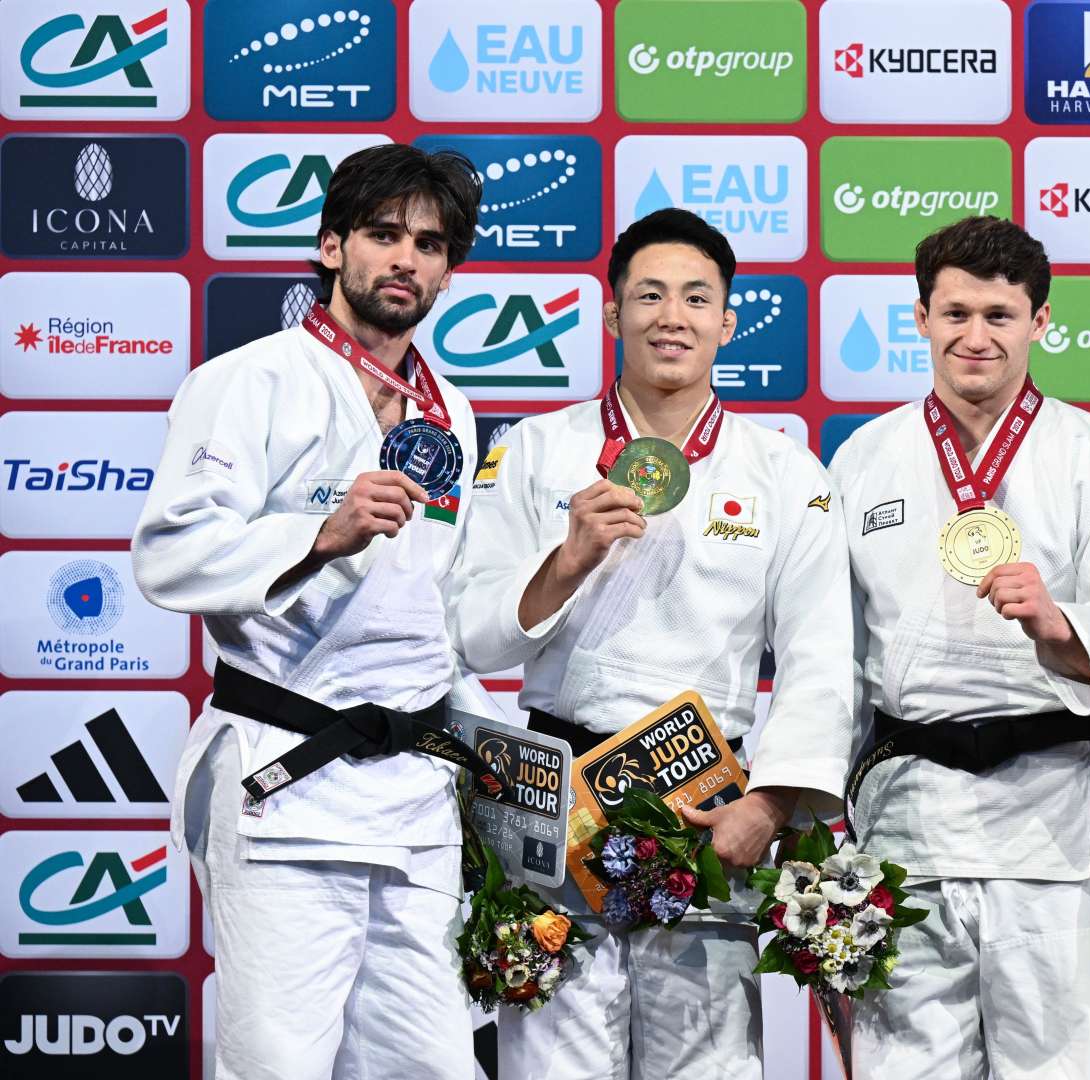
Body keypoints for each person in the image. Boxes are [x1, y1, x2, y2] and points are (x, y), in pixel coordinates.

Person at [448, 207, 854, 1080]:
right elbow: (474, 637)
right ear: (610, 312)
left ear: (727, 322)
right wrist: (569, 559)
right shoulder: (534, 450)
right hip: (551, 809)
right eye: (650, 295)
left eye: (696, 298)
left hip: (706, 813)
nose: (672, 316)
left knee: (706, 1069)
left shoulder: (783, 472)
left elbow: (822, 656)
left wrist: (770, 806)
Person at [132, 143, 486, 1080]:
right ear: (332, 247)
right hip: (285, 782)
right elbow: (167, 556)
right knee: (278, 1066)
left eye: (429, 242)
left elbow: (432, 601)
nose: (405, 259)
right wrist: (317, 536)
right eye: (381, 235)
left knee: (435, 1068)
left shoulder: (450, 403)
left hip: (411, 798)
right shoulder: (248, 380)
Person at [829, 215, 1090, 1080]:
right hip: (903, 821)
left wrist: (1063, 626)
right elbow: (828, 654)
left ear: (1040, 321)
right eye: (954, 314)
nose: (975, 337)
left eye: (998, 315)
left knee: (1059, 1066)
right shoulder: (864, 458)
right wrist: (813, 817)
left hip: (1047, 821)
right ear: (918, 320)